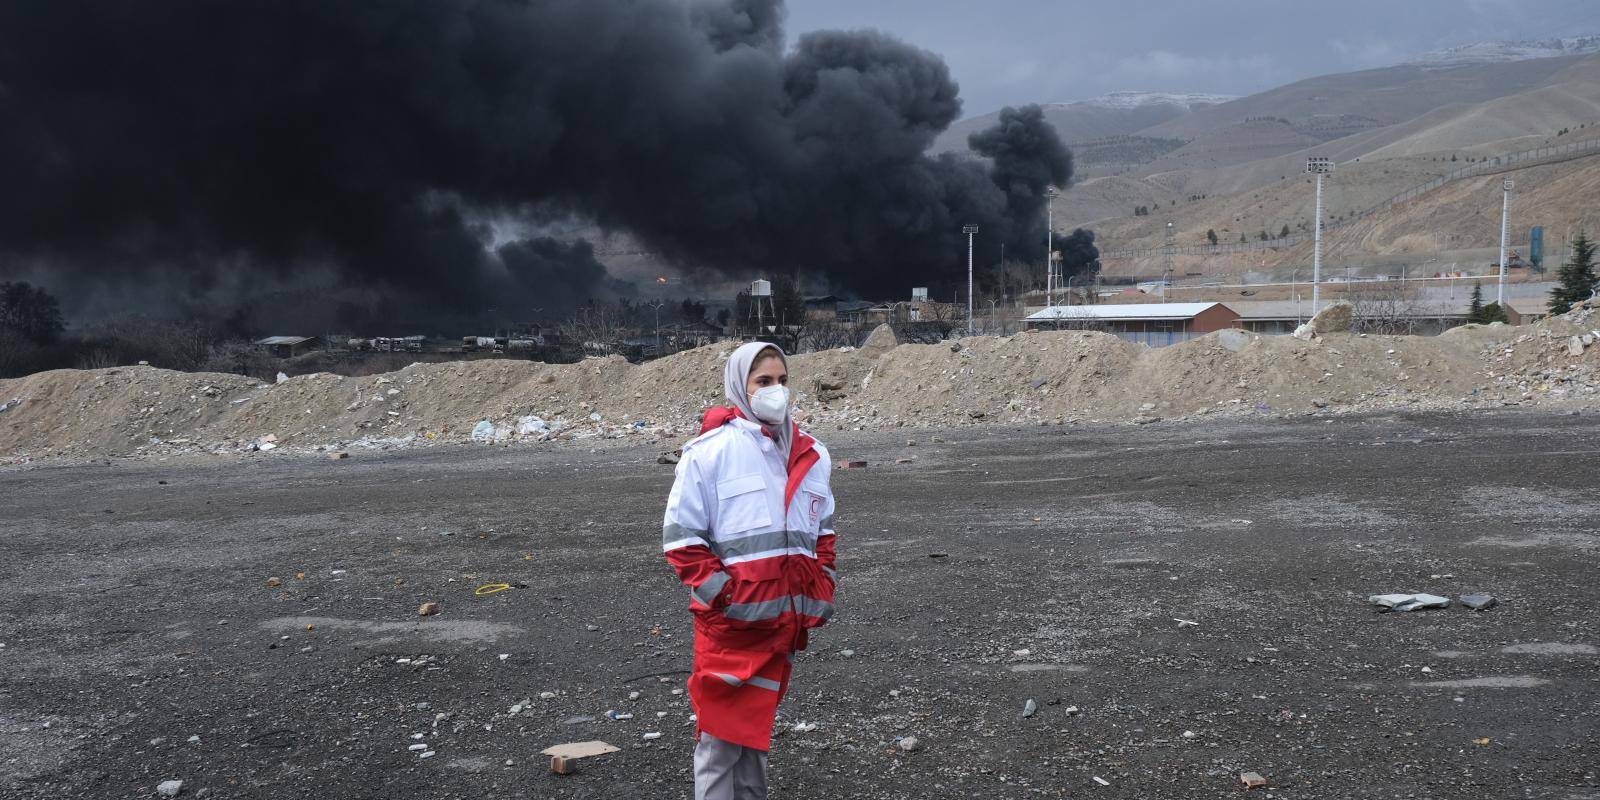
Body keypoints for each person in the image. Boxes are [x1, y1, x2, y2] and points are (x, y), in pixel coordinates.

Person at [661, 341, 838, 800]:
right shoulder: (708, 453)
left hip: (782, 628)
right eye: (763, 382)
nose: (775, 391)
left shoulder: (812, 455)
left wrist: (822, 588)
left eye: (782, 380)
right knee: (719, 745)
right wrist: (728, 596)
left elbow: (823, 535)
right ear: (740, 387)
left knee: (755, 740)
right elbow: (681, 541)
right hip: (730, 631)